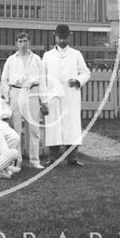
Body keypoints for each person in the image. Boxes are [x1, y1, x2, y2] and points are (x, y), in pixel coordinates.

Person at [42, 24, 90, 166]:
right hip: (53, 96)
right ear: (55, 36)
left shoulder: (76, 54)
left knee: (72, 124)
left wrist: (77, 80)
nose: (62, 41)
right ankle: (53, 156)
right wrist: (44, 97)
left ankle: (72, 157)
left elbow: (86, 72)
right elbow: (42, 76)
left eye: (65, 38)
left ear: (69, 37)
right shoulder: (48, 56)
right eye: (59, 38)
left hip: (70, 95)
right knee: (54, 125)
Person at [1, 32, 49, 169]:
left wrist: (43, 100)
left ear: (29, 42)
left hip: (32, 93)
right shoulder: (11, 59)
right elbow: (4, 80)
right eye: (20, 41)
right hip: (16, 92)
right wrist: (7, 97)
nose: (23, 44)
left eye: (25, 41)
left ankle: (35, 160)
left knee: (34, 128)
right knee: (16, 128)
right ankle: (18, 160)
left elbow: (42, 81)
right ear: (16, 43)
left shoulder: (36, 59)